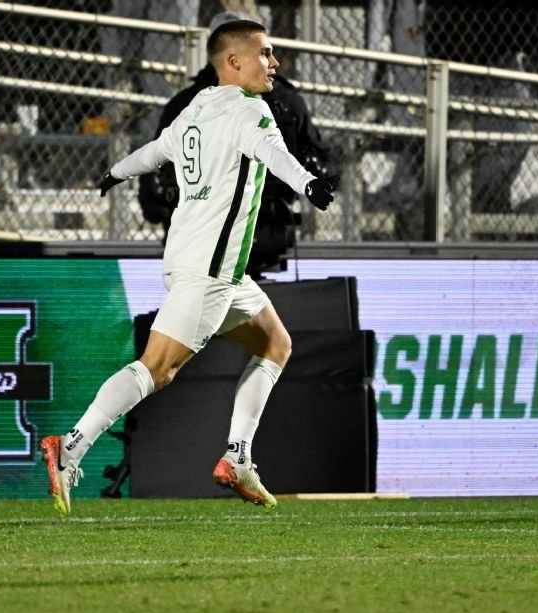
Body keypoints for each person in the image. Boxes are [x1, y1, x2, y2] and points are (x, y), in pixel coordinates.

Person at [41, 18, 337, 517]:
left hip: (199, 263)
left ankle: (237, 456)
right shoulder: (251, 111)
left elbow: (156, 152)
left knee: (275, 344)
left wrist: (116, 171)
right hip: (211, 272)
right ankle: (70, 446)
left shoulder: (197, 106)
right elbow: (275, 153)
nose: (274, 63)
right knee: (156, 370)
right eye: (265, 53)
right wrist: (309, 185)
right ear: (234, 61)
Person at [139, 11, 339, 274]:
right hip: (207, 243)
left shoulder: (285, 104)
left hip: (257, 237)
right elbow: (152, 190)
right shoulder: (187, 105)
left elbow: (324, 164)